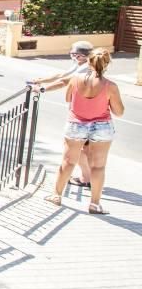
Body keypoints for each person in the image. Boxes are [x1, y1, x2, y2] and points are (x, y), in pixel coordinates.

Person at [46, 49, 124, 215]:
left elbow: (68, 99)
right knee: (98, 167)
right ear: (106, 65)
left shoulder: (75, 80)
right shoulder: (110, 86)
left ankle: (56, 195)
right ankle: (94, 205)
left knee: (68, 161)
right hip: (102, 126)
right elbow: (119, 112)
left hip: (76, 123)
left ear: (89, 62)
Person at [32, 41, 94, 187]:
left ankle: (85, 179)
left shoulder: (85, 70)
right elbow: (62, 74)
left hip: (82, 116)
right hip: (90, 115)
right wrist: (42, 80)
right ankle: (87, 177)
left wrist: (42, 89)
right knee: (83, 148)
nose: (70, 57)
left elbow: (64, 81)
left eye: (72, 54)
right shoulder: (83, 65)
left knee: (74, 148)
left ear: (79, 56)